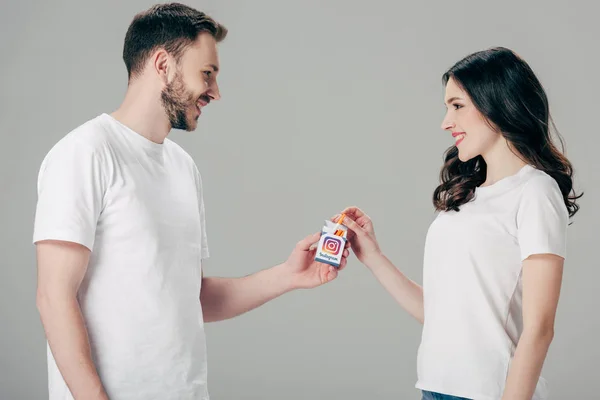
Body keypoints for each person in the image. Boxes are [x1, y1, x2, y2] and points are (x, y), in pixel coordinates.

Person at [32, 3, 348, 400]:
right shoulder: (85, 153)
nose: (215, 91)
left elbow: (190, 296)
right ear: (163, 64)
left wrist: (289, 275)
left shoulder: (182, 167)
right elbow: (53, 297)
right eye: (207, 74)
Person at [336, 47, 582, 400]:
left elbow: (540, 328)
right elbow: (441, 315)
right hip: (435, 388)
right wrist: (373, 257)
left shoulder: (535, 191)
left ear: (496, 101)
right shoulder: (467, 197)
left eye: (457, 105)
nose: (445, 122)